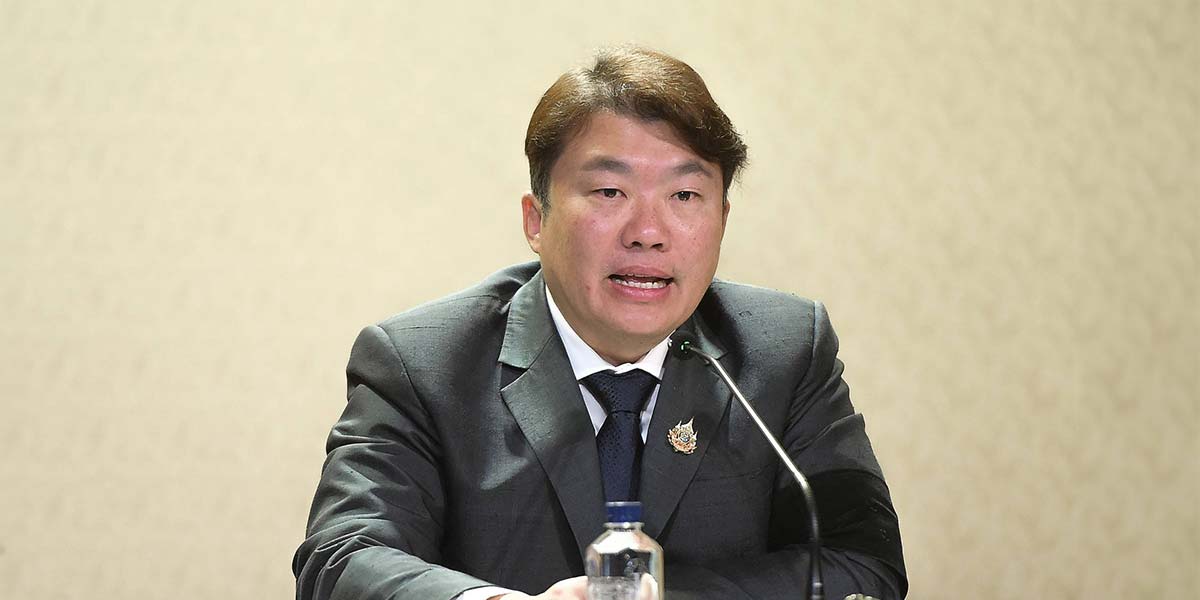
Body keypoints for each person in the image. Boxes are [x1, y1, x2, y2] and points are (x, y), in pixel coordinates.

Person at [293, 47, 906, 600]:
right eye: (611, 192)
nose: (648, 232)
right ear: (536, 220)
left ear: (723, 218)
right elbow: (341, 559)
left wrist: (650, 598)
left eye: (685, 196)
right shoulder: (422, 363)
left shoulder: (784, 350)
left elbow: (863, 563)